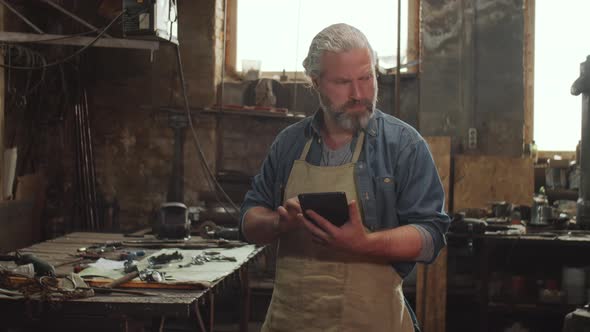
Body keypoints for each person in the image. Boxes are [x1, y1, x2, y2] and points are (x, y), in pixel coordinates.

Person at [240, 23, 450, 332]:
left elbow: (431, 236)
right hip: (292, 322)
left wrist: (364, 243)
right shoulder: (289, 144)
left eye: (366, 78)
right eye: (343, 82)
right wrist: (277, 223)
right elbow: (248, 221)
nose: (359, 94)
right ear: (315, 82)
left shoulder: (404, 146)